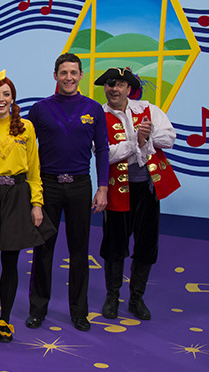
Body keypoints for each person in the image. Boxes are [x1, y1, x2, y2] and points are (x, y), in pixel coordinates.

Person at [0, 70, 56, 342]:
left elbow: (34, 171)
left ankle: (5, 320)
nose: (1, 99)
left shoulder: (26, 128)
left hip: (18, 195)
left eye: (6, 94)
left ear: (13, 98)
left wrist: (36, 204)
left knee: (11, 262)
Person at [26, 53, 109, 332]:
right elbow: (25, 149)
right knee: (43, 249)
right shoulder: (39, 109)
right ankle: (37, 309)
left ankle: (79, 312)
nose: (69, 78)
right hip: (47, 186)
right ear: (55, 75)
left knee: (79, 250)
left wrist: (103, 187)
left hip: (80, 186)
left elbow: (103, 150)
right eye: (64, 73)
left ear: (81, 75)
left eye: (74, 72)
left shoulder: (95, 109)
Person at [94, 67, 179, 320]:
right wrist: (135, 143)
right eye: (110, 84)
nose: (114, 89)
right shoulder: (98, 115)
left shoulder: (149, 109)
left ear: (129, 89)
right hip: (117, 190)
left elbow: (169, 138)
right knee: (114, 245)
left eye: (120, 84)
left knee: (146, 245)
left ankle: (136, 298)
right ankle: (112, 296)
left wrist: (148, 135)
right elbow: (104, 153)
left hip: (147, 189)